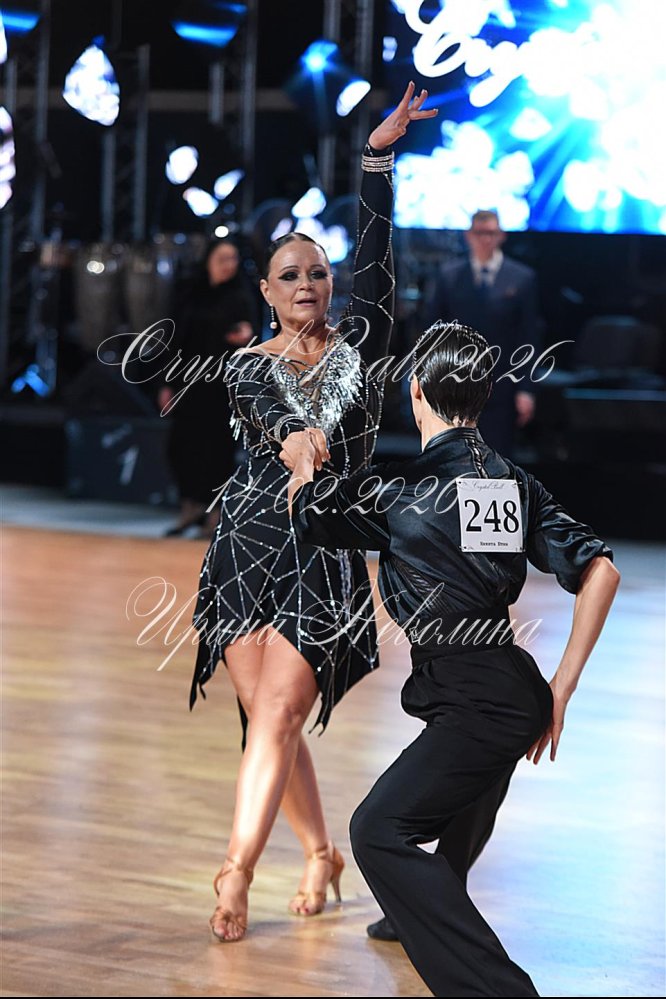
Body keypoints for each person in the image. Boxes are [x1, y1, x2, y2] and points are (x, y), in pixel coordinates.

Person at [287, 320, 620, 997]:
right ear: (484, 395)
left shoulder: (402, 492)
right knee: (464, 796)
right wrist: (559, 689)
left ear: (415, 391)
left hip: (475, 697)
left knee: (377, 831)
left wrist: (302, 462)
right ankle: (413, 915)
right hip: (512, 687)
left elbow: (310, 513)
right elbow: (601, 571)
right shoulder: (513, 483)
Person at [188, 83, 438, 943]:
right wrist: (298, 444)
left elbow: (378, 256)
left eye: (318, 273)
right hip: (246, 550)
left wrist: (376, 161)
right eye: (290, 275)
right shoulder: (246, 365)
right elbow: (279, 423)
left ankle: (234, 873)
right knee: (271, 718)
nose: (306, 284)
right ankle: (322, 852)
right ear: (265, 291)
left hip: (324, 551)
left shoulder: (362, 348)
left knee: (280, 712)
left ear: (334, 286)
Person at [158, 237, 258, 537]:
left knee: (217, 450)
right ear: (209, 261)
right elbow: (176, 339)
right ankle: (189, 507)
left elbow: (254, 335)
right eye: (223, 258)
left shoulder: (240, 295)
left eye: (233, 259)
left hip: (221, 386)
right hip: (188, 383)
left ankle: (215, 515)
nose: (229, 265)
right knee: (181, 446)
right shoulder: (191, 292)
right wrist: (167, 383)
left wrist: (246, 337)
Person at [426, 209, 540, 457]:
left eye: (491, 233)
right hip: (456, 384)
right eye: (480, 233)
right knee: (455, 458)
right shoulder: (449, 276)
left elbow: (528, 336)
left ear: (502, 235)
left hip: (502, 385)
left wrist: (526, 389)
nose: (486, 239)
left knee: (497, 458)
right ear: (469, 235)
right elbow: (434, 334)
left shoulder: (522, 278)